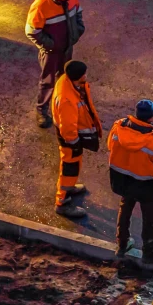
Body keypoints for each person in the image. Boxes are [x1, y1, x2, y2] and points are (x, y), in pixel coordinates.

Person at [107, 99, 153, 262]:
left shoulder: (119, 127)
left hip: (123, 181)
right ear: (152, 118)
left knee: (125, 208)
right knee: (149, 218)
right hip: (147, 186)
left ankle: (122, 244)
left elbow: (110, 145)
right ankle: (149, 251)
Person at [25, 0, 85, 128]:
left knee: (64, 78)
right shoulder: (41, 5)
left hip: (67, 47)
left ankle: (62, 105)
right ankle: (42, 111)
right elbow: (32, 31)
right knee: (48, 81)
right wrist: (50, 45)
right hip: (51, 51)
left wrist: (78, 30)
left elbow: (78, 12)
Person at [51, 60, 101, 219]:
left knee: (73, 165)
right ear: (75, 78)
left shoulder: (67, 82)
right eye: (83, 75)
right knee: (69, 168)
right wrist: (74, 143)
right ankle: (62, 203)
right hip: (70, 139)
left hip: (72, 137)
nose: (86, 77)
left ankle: (69, 188)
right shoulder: (67, 99)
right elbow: (67, 126)